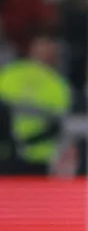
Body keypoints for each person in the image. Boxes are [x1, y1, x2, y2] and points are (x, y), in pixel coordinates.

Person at [0, 33, 72, 175]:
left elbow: (59, 124)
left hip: (23, 156)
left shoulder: (9, 74)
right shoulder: (58, 85)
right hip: (33, 157)